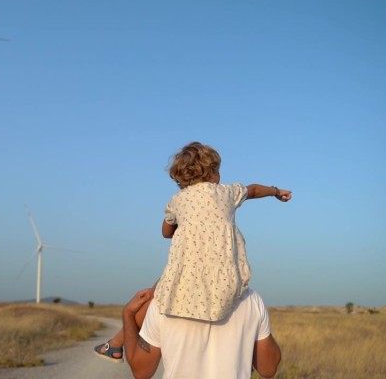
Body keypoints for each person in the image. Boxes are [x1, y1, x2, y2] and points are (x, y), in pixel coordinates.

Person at [94, 141, 291, 362]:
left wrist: (186, 222)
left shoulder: (177, 201)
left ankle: (118, 344)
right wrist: (275, 191)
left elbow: (166, 232)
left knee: (152, 294)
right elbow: (253, 189)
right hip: (224, 273)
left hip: (186, 273)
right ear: (214, 171)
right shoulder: (226, 193)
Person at [122, 287, 281, 379]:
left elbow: (141, 371)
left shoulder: (162, 301)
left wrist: (128, 315)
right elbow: (268, 368)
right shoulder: (251, 299)